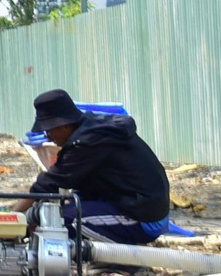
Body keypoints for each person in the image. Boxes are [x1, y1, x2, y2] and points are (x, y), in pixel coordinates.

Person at [25, 89, 171, 244]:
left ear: (64, 125)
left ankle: (123, 261)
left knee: (60, 222)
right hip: (141, 206)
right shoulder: (92, 128)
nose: (48, 136)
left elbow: (48, 183)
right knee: (65, 209)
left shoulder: (88, 142)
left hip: (145, 217)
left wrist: (13, 215)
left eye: (49, 130)